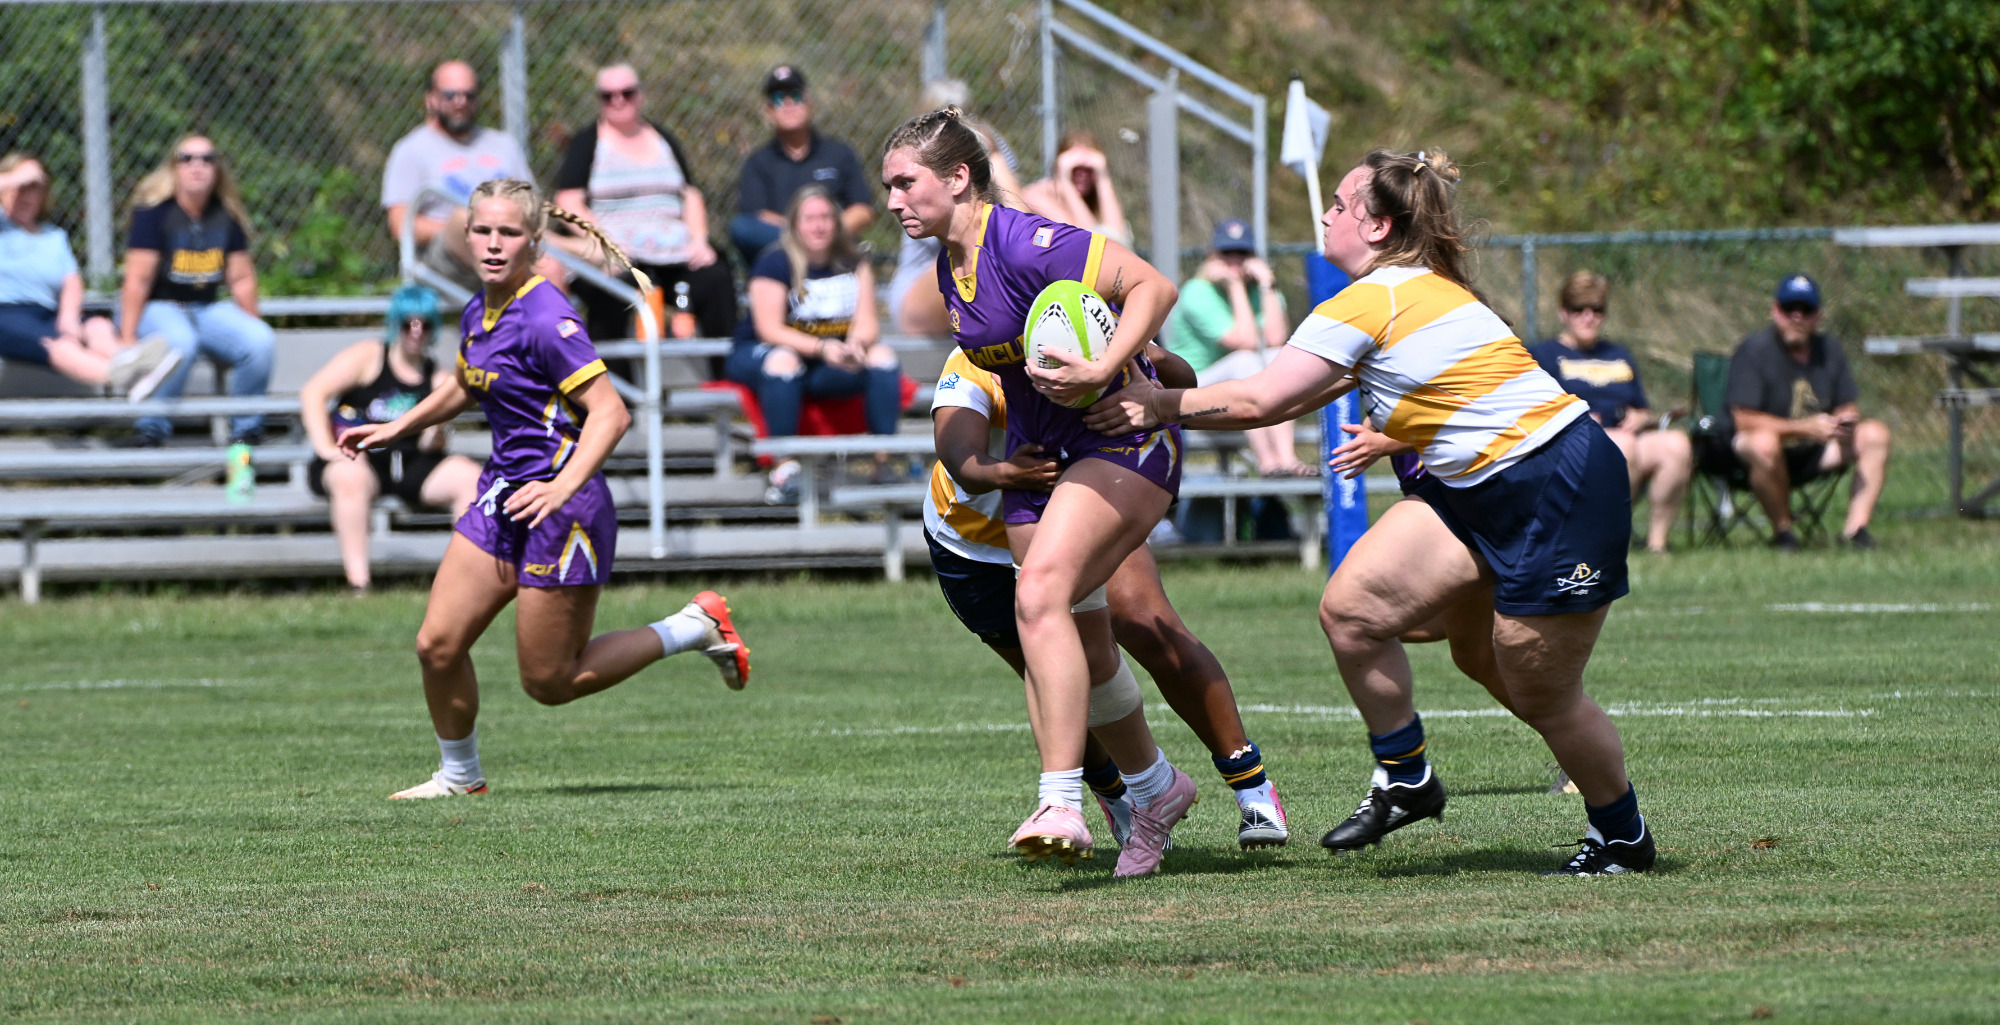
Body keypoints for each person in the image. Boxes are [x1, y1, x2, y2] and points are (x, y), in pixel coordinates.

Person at [1085, 149, 1657, 876]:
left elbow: (1267, 399)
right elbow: (1454, 393)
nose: (1323, 214)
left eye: (1337, 203)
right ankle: (1406, 774)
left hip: (1558, 486)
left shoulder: (1375, 298)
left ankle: (1622, 834)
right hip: (1478, 488)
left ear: (1379, 225)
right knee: (1356, 611)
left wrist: (1158, 403)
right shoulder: (1418, 291)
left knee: (1535, 681)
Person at [336, 178, 751, 800]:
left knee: (550, 681)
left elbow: (611, 413)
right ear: (467, 236)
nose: (494, 244)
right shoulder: (481, 308)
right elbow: (468, 380)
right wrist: (399, 425)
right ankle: (459, 775)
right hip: (503, 493)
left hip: (565, 509)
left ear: (533, 240)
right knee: (437, 644)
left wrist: (559, 488)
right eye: (483, 231)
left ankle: (692, 627)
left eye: (509, 233)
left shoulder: (546, 314)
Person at [884, 107, 1197, 878]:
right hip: (1049, 456)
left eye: (905, 182)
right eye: (887, 185)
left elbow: (1153, 284)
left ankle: (1061, 798)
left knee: (1039, 599)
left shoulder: (1027, 240)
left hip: (1121, 439)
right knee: (1077, 643)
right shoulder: (946, 268)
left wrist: (1107, 366)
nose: (892, 201)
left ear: (958, 178)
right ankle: (1156, 788)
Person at [927, 349, 1290, 849]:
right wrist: (1009, 474)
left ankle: (1252, 788)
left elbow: (1182, 380)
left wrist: (1144, 360)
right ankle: (1122, 805)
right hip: (971, 545)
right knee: (1054, 678)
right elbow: (962, 460)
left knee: (1149, 626)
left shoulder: (1089, 336)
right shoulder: (975, 358)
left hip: (1085, 517)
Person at [299, 284, 482, 593]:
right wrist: (326, 449)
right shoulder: (369, 357)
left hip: (410, 462)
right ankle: (359, 584)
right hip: (359, 457)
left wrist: (438, 430)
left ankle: (465, 584)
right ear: (395, 323)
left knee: (471, 477)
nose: (415, 331)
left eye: (424, 324)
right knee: (349, 477)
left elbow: (431, 447)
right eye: (408, 322)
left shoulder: (438, 377)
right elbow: (313, 393)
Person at [726, 185, 901, 495]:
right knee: (784, 358)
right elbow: (770, 329)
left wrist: (856, 345)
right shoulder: (775, 261)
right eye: (809, 218)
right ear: (794, 223)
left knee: (882, 355)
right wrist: (821, 348)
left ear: (836, 222)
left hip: (826, 358)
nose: (819, 225)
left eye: (825, 217)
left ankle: (883, 461)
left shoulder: (855, 261)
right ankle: (784, 468)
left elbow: (867, 322)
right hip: (762, 353)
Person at [554, 63, 735, 345]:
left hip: (675, 255)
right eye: (608, 95)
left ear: (640, 96)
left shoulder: (665, 139)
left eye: (626, 93)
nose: (618, 101)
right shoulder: (587, 143)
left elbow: (690, 195)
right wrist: (605, 243)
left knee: (715, 279)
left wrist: (699, 240)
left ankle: (724, 375)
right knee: (613, 289)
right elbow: (568, 201)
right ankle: (614, 383)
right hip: (620, 257)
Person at [118, 135, 275, 448]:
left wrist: (251, 324)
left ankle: (245, 431)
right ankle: (151, 428)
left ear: (217, 169)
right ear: (174, 167)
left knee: (261, 340)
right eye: (187, 158)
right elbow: (138, 280)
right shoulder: (154, 212)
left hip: (205, 307)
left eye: (206, 159)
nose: (197, 166)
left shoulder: (226, 215)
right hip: (158, 306)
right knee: (181, 342)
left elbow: (242, 279)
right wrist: (127, 337)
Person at [1723, 274, 1890, 550]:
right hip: (1754, 454)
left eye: (1806, 310)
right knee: (1764, 442)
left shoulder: (1829, 350)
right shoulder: (1753, 350)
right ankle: (1784, 533)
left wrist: (1845, 419)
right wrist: (1805, 428)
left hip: (1814, 449)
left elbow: (1847, 403)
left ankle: (1856, 531)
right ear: (1775, 310)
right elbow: (1743, 419)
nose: (1797, 317)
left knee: (1875, 434)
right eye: (1789, 309)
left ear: (1818, 315)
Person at [1528, 271, 1692, 553]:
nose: (1588, 317)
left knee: (1677, 444)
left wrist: (1641, 418)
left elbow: (1643, 409)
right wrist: (1576, 419)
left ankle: (1656, 544)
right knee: (1623, 445)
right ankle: (1609, 540)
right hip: (1573, 443)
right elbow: (1537, 410)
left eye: (1596, 310)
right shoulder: (1543, 354)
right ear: (1563, 313)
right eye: (1579, 309)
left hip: (1625, 436)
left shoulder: (1618, 353)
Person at [0, 153, 177, 398]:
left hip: (48, 313)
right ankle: (124, 378)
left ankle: (133, 366)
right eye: (21, 187)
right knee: (62, 345)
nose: (27, 196)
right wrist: (14, 177)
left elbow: (71, 281)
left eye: (35, 188)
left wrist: (70, 318)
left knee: (97, 324)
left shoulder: (53, 237)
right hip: (6, 313)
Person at [1162, 218, 1310, 476]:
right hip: (1190, 388)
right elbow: (1245, 341)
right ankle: (1268, 463)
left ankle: (1287, 459)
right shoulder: (1197, 291)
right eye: (1226, 254)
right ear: (1212, 257)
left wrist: (1267, 284)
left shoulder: (1262, 290)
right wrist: (1234, 285)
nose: (1235, 261)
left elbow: (1276, 339)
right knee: (1245, 359)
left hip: (1241, 386)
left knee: (1276, 357)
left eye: (1242, 254)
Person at [383, 61, 540, 293]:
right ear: (431, 100)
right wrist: (479, 229)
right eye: (450, 95)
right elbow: (399, 226)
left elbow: (533, 207)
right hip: (447, 258)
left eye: (469, 95)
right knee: (462, 218)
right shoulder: (410, 150)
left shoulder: (503, 145)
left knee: (564, 261)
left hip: (513, 245)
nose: (460, 102)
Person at [887, 81, 1027, 338]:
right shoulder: (916, 157)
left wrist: (990, 152)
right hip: (919, 295)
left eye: (959, 116)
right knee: (982, 246)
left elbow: (1022, 222)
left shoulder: (987, 143)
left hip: (978, 280)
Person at [729, 65, 874, 268]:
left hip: (835, 249)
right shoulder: (757, 162)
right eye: (779, 98)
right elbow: (756, 218)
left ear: (810, 104)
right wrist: (807, 235)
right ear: (769, 111)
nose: (788, 104)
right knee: (742, 228)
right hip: (783, 254)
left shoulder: (840, 153)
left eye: (795, 96)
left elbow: (862, 210)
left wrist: (826, 233)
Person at [1020, 130, 1129, 245]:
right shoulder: (1037, 194)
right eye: (1074, 168)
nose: (1081, 175)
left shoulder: (1099, 202)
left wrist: (1102, 177)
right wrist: (1064, 180)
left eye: (1089, 169)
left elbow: (1119, 241)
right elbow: (1087, 241)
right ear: (1060, 168)